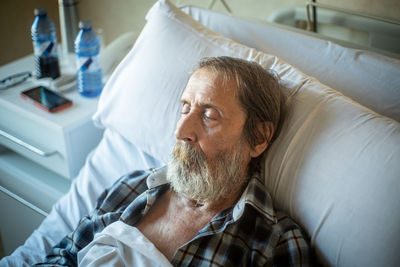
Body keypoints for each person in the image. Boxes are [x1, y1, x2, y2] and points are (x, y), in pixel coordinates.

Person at [35, 56, 311, 266]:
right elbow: (64, 256)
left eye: (209, 116)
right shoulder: (133, 186)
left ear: (259, 138)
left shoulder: (273, 243)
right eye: (185, 109)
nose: (180, 132)